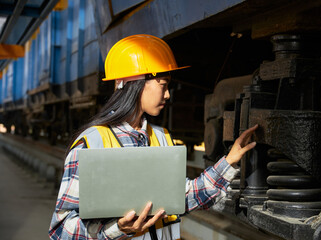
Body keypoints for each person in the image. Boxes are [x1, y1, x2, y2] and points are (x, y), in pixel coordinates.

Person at [48, 34, 258, 240]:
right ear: (135, 84)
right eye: (163, 84)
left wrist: (229, 161)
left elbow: (181, 199)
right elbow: (61, 230)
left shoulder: (161, 136)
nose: (167, 94)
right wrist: (116, 229)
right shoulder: (91, 142)